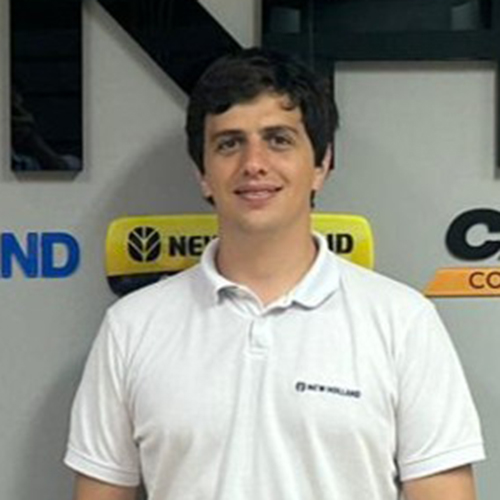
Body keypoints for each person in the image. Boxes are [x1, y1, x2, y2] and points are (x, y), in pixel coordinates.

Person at [65, 48, 485, 500]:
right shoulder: (132, 327)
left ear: (321, 165)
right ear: (203, 174)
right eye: (229, 143)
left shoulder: (402, 321)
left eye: (279, 140)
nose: (254, 163)